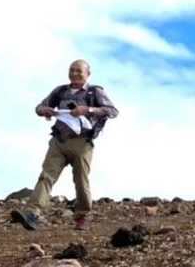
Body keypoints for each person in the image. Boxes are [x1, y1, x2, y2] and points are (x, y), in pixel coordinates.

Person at [18, 60, 119, 231]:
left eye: (79, 71)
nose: (74, 74)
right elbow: (39, 107)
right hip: (59, 141)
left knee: (80, 180)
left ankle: (82, 216)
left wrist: (87, 110)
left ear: (88, 74)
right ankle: (32, 213)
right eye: (71, 70)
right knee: (46, 176)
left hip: (82, 143)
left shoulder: (95, 91)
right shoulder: (60, 91)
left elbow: (112, 111)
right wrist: (45, 111)